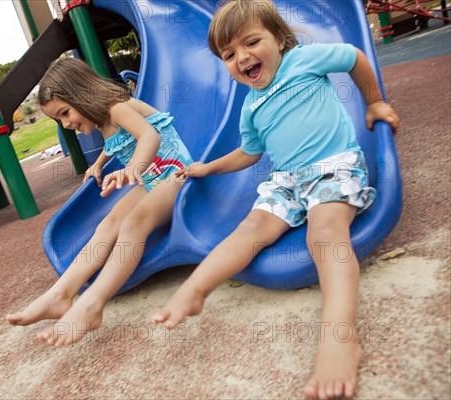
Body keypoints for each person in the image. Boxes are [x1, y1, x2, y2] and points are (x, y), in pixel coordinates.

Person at [152, 1, 400, 399]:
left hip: (332, 167)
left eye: (251, 42)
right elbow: (249, 153)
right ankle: (196, 288)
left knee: (324, 233)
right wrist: (208, 168)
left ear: (279, 41)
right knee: (249, 228)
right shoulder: (250, 107)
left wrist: (372, 101)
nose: (243, 57)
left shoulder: (302, 60)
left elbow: (354, 56)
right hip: (287, 181)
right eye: (229, 55)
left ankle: (339, 337)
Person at [6, 57, 193, 347]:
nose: (66, 124)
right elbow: (114, 143)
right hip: (153, 181)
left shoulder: (118, 108)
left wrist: (132, 168)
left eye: (65, 113)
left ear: (81, 93)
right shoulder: (103, 121)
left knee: (133, 224)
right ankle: (61, 294)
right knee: (108, 224)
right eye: (59, 120)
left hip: (177, 175)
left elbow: (148, 136)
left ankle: (93, 303)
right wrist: (99, 164)